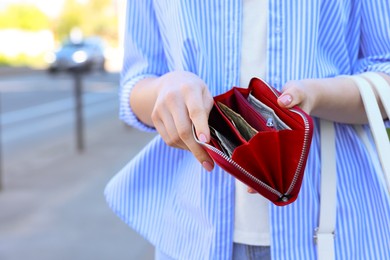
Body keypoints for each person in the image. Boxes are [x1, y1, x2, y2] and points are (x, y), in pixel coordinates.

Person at [105, 0, 390, 259]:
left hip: (335, 226)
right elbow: (136, 82)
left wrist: (317, 95)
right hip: (192, 231)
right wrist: (164, 91)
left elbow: (385, 71)